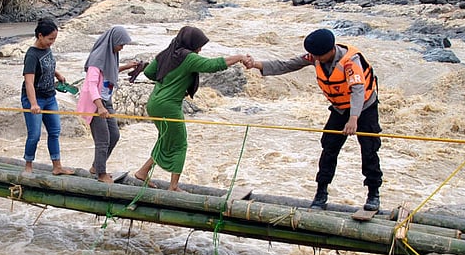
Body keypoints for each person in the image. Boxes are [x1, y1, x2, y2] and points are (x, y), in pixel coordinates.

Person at [243, 28, 382, 211]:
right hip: (340, 109)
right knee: (328, 148)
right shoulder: (315, 57)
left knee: (369, 149)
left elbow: (358, 90)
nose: (315, 59)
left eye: (319, 56)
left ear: (331, 50)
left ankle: (373, 194)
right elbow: (287, 65)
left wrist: (354, 119)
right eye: (314, 55)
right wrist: (256, 65)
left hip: (363, 107)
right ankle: (321, 193)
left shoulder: (350, 62)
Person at [134, 26, 246, 192]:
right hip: (169, 106)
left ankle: (143, 171)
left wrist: (169, 79)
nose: (200, 49)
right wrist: (239, 57)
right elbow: (213, 65)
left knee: (165, 139)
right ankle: (173, 186)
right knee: (180, 144)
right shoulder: (189, 58)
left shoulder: (167, 53)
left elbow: (150, 72)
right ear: (191, 43)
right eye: (199, 45)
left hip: (154, 103)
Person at [76, 26, 139, 183]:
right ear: (113, 41)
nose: (122, 48)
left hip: (106, 101)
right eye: (121, 44)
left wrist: (127, 66)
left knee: (115, 135)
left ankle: (96, 167)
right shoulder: (97, 59)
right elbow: (91, 85)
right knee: (103, 139)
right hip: (95, 103)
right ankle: (101, 174)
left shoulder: (110, 55)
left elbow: (109, 72)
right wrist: (100, 107)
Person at [21, 18, 74, 175]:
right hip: (35, 99)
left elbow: (48, 64)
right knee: (35, 134)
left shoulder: (47, 49)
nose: (52, 42)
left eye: (54, 39)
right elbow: (29, 82)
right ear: (40, 36)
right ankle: (28, 166)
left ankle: (57, 166)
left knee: (55, 131)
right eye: (50, 39)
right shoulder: (31, 55)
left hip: (50, 97)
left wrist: (57, 74)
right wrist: (33, 104)